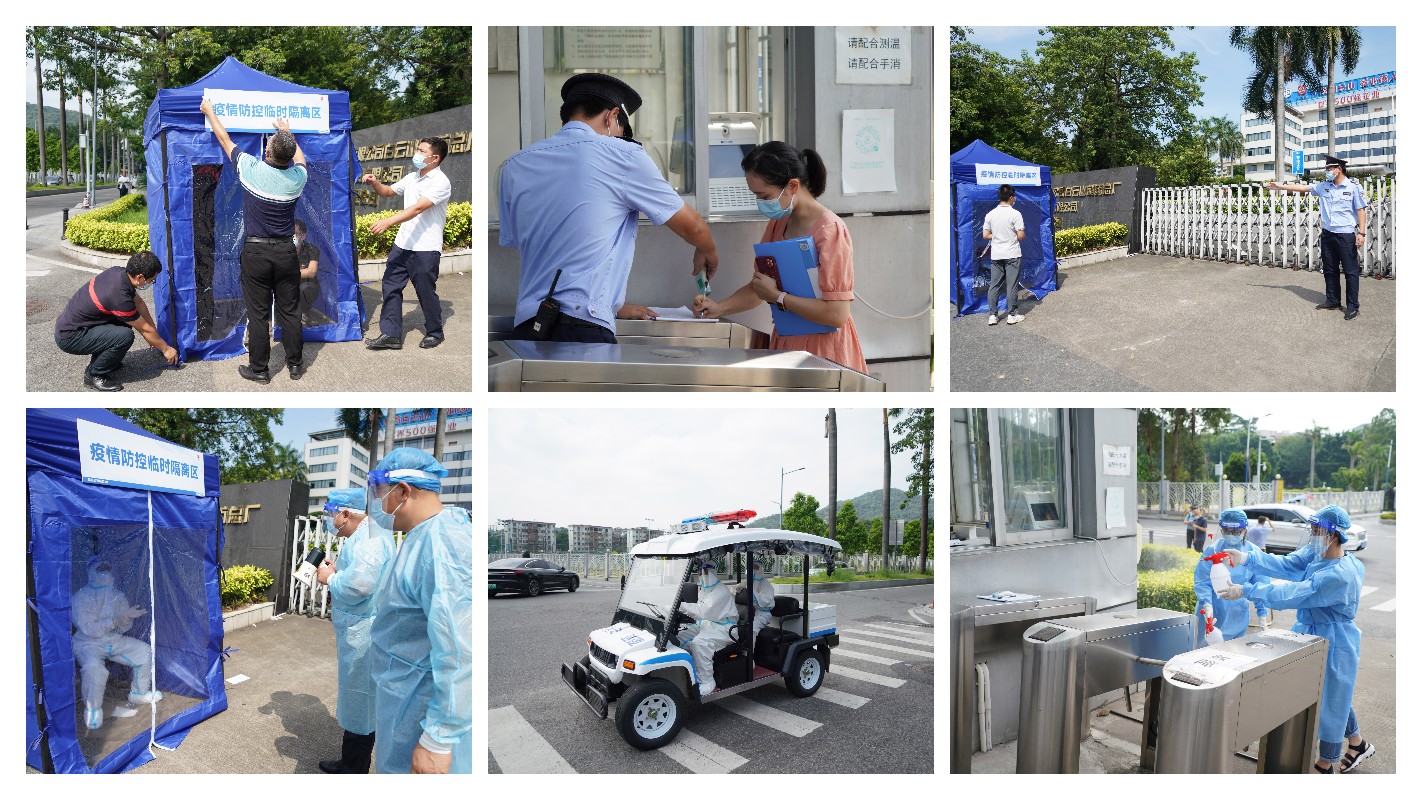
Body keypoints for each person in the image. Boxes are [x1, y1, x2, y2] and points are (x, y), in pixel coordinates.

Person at [500, 72, 718, 343]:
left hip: (529, 324)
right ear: (611, 116)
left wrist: (611, 304)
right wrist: (707, 248)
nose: (619, 137)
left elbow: (542, 246)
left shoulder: (514, 166)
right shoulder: (623, 155)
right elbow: (692, 225)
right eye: (621, 131)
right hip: (583, 329)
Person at [1220, 504, 1376, 773]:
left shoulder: (1340, 574)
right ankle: (1358, 742)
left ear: (1334, 535)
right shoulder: (1317, 553)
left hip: (1335, 638)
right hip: (1309, 630)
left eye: (1317, 530)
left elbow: (1293, 593)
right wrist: (1248, 559)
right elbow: (1288, 564)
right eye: (1313, 529)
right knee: (1327, 692)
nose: (1312, 534)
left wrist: (1246, 589)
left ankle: (1326, 762)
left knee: (1333, 697)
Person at [692, 142, 868, 372]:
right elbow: (761, 287)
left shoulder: (830, 230)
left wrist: (779, 297)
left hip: (826, 351)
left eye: (764, 195)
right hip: (787, 342)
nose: (760, 203)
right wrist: (719, 307)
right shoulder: (778, 223)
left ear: (792, 185)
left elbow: (836, 314)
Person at [366, 448, 472, 774]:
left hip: (421, 719)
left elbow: (459, 649)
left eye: (381, 496)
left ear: (403, 491)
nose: (379, 508)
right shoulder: (422, 537)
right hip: (405, 709)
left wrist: (439, 738)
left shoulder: (443, 543)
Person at [200, 96, 309, 382]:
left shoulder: (252, 168)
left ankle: (259, 370)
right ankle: (295, 365)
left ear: (268, 152)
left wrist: (210, 111)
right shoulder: (298, 179)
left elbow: (224, 141)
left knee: (259, 314)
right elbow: (301, 159)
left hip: (256, 253)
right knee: (290, 310)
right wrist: (288, 134)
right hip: (287, 252)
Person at [314, 488, 395, 774]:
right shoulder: (365, 536)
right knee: (361, 698)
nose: (329, 520)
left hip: (364, 632)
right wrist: (340, 570)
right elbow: (361, 574)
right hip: (360, 630)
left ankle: (354, 767)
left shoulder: (369, 539)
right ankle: (352, 761)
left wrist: (331, 577)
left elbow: (360, 585)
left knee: (361, 700)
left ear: (345, 513)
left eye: (330, 514)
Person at [361, 137, 452, 350]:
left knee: (425, 291)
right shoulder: (412, 177)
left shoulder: (440, 182)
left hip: (425, 248)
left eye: (421, 151)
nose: (416, 154)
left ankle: (435, 332)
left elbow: (418, 208)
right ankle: (391, 334)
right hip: (403, 244)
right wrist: (375, 183)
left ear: (435, 157)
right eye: (417, 150)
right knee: (391, 286)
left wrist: (388, 222)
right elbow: (389, 191)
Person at [54, 250, 178, 391]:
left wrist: (153, 331)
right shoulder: (120, 297)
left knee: (125, 322)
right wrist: (166, 349)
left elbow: (139, 304)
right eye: (151, 280)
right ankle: (94, 375)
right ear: (140, 277)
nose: (152, 283)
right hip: (70, 337)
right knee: (124, 336)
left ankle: (108, 360)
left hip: (77, 325)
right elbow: (143, 329)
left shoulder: (119, 273)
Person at [1266, 155, 1368, 320]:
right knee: (1329, 269)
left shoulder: (1353, 187)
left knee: (1350, 272)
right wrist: (1280, 186)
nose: (1327, 172)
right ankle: (1333, 300)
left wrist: (1361, 233)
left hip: (1345, 235)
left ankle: (1352, 306)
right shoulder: (1324, 187)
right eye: (1326, 169)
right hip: (1327, 234)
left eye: (1329, 169)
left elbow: (1361, 210)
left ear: (1338, 169)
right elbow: (1303, 188)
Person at [71, 556, 161, 730]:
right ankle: (93, 709)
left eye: (107, 570)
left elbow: (124, 628)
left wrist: (126, 618)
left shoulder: (117, 596)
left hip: (113, 642)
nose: (104, 574)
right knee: (94, 669)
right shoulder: (80, 598)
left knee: (143, 651)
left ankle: (138, 693)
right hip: (88, 645)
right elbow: (90, 629)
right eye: (100, 570)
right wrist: (116, 620)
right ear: (91, 572)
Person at [1193, 508, 1268, 642]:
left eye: (1235, 532)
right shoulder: (1213, 550)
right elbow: (1202, 580)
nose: (1231, 535)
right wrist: (1206, 604)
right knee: (1206, 651)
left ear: (1245, 530)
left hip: (1237, 612)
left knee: (1233, 652)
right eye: (1226, 531)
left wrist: (1262, 615)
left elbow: (1260, 584)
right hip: (1212, 612)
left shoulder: (1253, 553)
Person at [678, 561, 736, 697]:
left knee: (700, 644)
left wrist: (680, 606)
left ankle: (707, 682)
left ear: (712, 573)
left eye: (705, 572)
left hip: (724, 629)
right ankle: (685, 671)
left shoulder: (720, 591)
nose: (702, 575)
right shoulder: (705, 589)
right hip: (707, 624)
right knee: (680, 636)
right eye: (701, 572)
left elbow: (703, 611)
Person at [981, 184, 1027, 325]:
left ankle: (993, 315)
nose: (1015, 200)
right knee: (1011, 285)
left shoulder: (990, 214)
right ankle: (1012, 315)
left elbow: (985, 235)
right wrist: (1010, 234)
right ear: (1011, 197)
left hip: (996, 255)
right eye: (1014, 198)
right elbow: (1020, 235)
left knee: (994, 285)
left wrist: (997, 235)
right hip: (1012, 254)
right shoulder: (1015, 214)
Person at [293, 220, 332, 328]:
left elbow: (311, 272)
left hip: (306, 285)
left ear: (303, 235)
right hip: (286, 286)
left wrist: (288, 273)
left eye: (295, 233)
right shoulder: (281, 250)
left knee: (306, 289)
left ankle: (304, 312)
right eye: (289, 233)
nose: (292, 237)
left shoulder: (311, 249)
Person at [748, 555, 777, 645]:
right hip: (754, 613)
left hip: (764, 614)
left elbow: (765, 600)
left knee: (751, 630)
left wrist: (751, 592)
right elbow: (736, 588)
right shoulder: (751, 582)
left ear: (760, 569)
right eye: (752, 567)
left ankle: (749, 656)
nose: (753, 569)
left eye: (756, 567)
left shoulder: (766, 584)